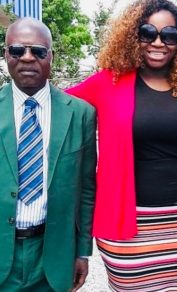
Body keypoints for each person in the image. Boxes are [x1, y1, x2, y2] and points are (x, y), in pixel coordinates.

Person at [66, 0, 177, 290]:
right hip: (126, 226)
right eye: (149, 32)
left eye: (169, 35)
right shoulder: (108, 82)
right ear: (134, 36)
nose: (159, 42)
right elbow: (58, 106)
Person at [0, 17, 97, 292]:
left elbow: (87, 190)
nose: (27, 58)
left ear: (51, 57)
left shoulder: (80, 114)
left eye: (38, 51)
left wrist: (82, 251)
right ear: (6, 55)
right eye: (17, 50)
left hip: (53, 255)